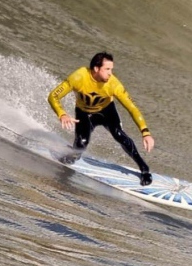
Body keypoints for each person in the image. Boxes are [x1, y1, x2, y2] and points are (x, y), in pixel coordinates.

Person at [48, 52, 155, 185]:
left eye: (112, 69)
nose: (111, 73)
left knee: (119, 135)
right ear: (96, 68)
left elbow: (132, 108)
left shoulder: (114, 84)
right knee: (81, 144)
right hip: (84, 113)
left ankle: (144, 168)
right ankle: (74, 154)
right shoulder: (79, 77)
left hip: (107, 111)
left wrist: (145, 132)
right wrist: (62, 114)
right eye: (107, 69)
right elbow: (53, 96)